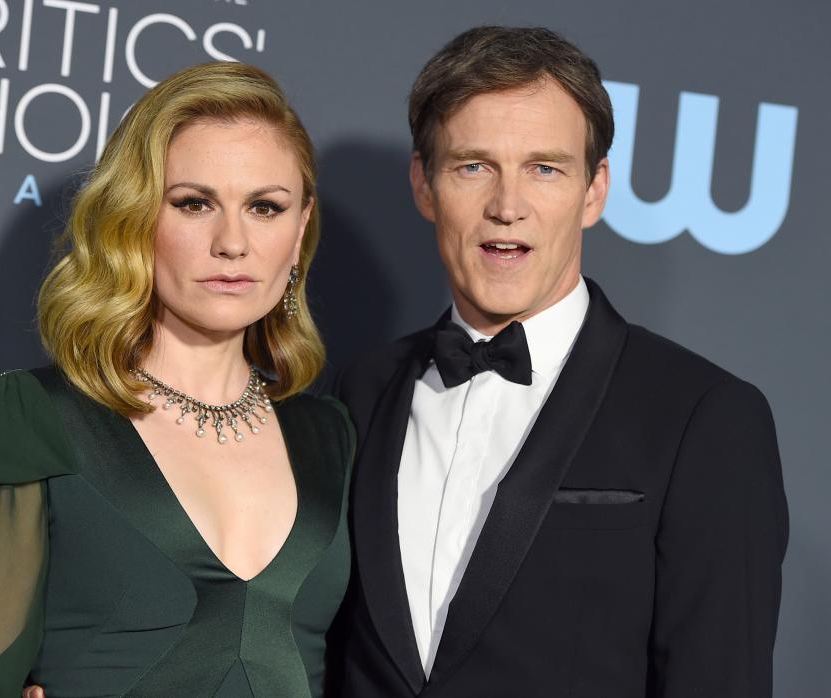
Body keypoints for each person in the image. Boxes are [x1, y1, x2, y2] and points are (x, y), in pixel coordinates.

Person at [329, 26, 788, 697]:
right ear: (424, 186)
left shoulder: (704, 417)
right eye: (472, 166)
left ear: (594, 191)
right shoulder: (359, 390)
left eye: (544, 168)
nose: (507, 207)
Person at [0, 62, 354, 698]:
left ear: (299, 233)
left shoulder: (335, 437)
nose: (233, 242)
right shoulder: (29, 420)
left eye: (265, 207)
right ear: (133, 220)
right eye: (194, 203)